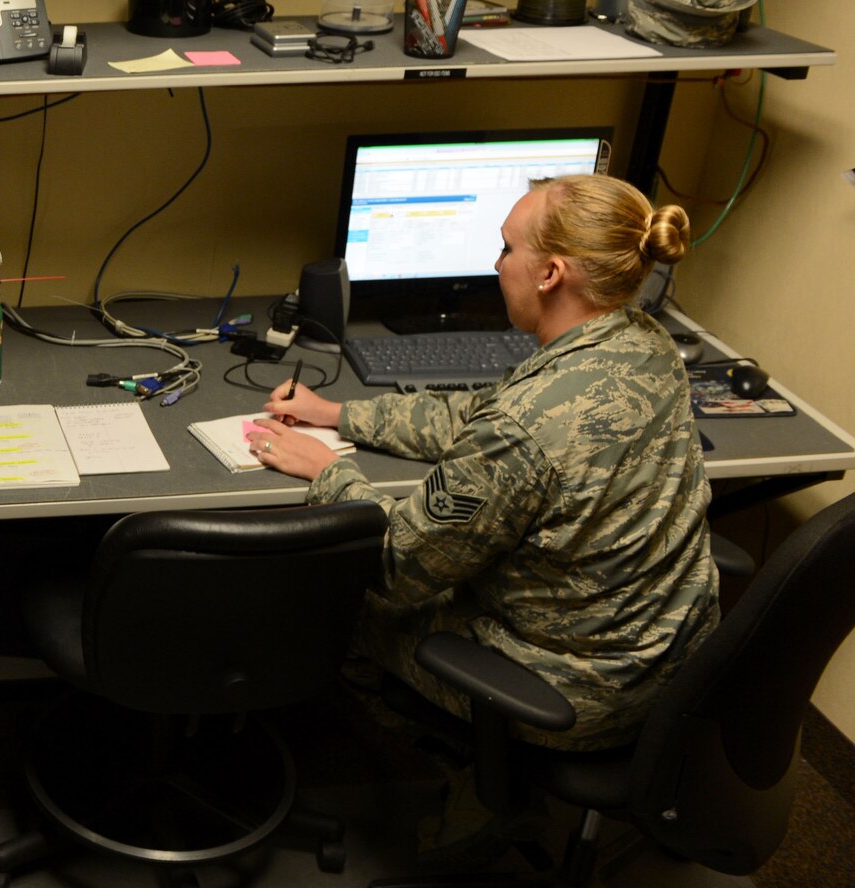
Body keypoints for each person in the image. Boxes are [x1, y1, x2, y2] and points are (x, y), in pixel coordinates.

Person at [248, 174, 719, 752]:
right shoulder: (645, 342)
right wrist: (340, 414)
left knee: (331, 593)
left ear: (550, 274)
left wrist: (328, 472)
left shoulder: (523, 428)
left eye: (507, 248)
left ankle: (376, 771)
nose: (497, 264)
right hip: (674, 667)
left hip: (574, 692)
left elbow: (395, 566)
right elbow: (483, 415)